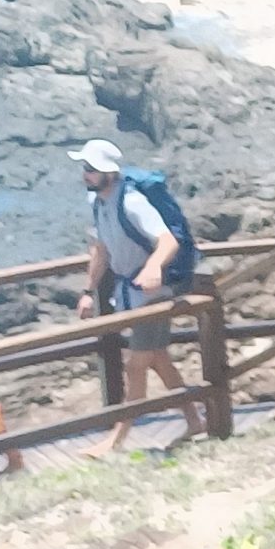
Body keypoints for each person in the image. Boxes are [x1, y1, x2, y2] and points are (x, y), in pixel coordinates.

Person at [72, 138, 199, 450]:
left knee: (135, 365)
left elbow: (168, 241)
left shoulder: (131, 202)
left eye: (90, 169)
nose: (85, 174)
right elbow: (101, 251)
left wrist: (154, 266)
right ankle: (195, 422)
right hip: (133, 293)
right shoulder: (99, 204)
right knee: (158, 360)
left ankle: (116, 439)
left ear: (107, 172)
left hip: (154, 294)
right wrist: (89, 291)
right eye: (84, 168)